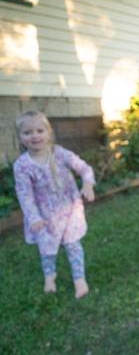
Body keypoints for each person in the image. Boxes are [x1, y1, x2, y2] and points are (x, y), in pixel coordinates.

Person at [13, 110, 95, 299]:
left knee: (73, 245)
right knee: (47, 248)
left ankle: (79, 280)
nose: (34, 135)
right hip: (44, 217)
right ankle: (50, 276)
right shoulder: (22, 166)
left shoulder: (60, 153)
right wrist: (34, 217)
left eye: (39, 130)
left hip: (69, 210)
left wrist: (88, 184)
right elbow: (25, 195)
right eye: (27, 132)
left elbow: (84, 168)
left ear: (49, 132)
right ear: (20, 137)